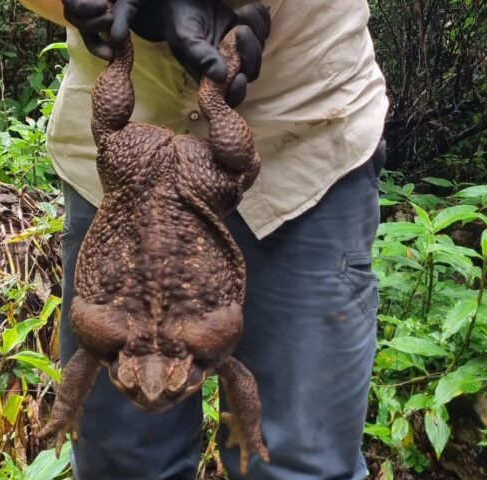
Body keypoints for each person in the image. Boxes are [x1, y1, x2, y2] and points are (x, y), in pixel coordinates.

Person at [20, 0, 389, 478]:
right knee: (120, 465)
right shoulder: (148, 342)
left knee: (299, 463)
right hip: (129, 166)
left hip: (300, 134)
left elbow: (226, 355)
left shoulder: (173, 341)